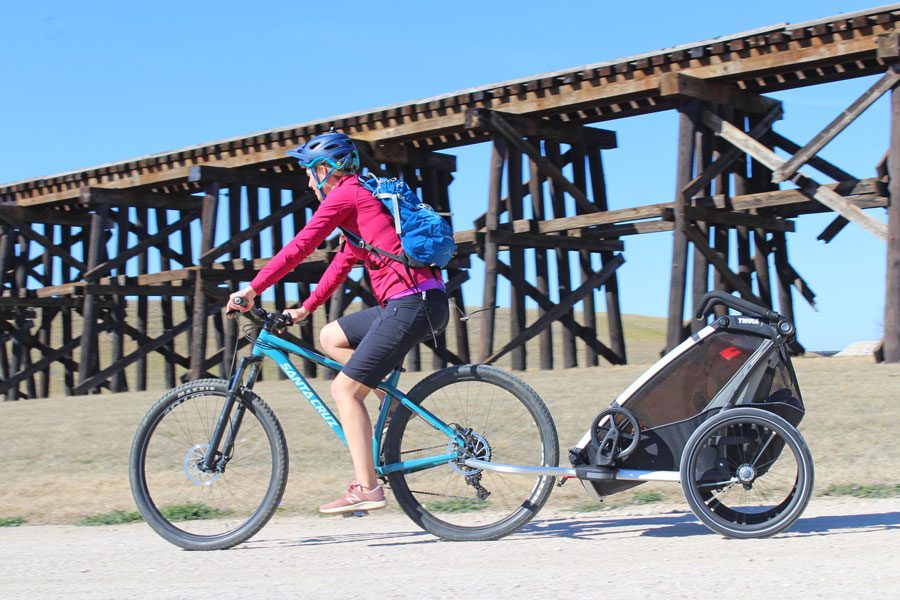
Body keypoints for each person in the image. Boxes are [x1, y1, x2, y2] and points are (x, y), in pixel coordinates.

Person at [226, 131, 450, 514]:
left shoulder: (347, 194)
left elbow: (302, 245)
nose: (307, 181)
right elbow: (342, 262)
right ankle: (391, 407)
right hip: (419, 301)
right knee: (332, 337)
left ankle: (367, 488)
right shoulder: (364, 197)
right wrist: (307, 308)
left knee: (345, 392)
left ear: (325, 170)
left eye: (309, 172)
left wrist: (253, 288)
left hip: (411, 303)